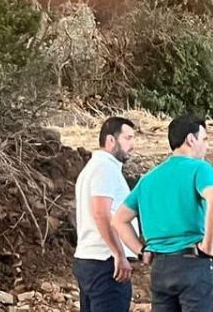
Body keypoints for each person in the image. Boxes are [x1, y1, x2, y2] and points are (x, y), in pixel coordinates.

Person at [112, 115, 213, 312]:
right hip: (194, 263)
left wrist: (140, 251)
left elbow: (119, 220)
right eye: (204, 139)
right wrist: (208, 246)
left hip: (160, 268)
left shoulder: (148, 179)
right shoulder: (200, 168)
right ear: (191, 139)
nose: (207, 146)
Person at [74, 116, 138, 312]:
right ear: (111, 140)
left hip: (90, 260)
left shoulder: (92, 168)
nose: (132, 145)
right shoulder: (105, 168)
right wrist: (119, 254)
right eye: (128, 138)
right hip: (106, 263)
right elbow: (101, 212)